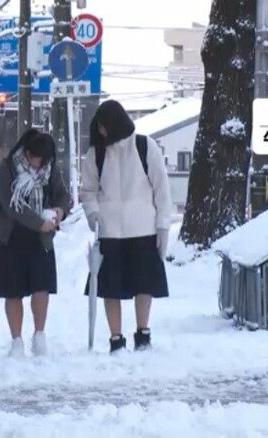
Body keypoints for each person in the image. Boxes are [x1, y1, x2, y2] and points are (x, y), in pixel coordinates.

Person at [81, 100, 172, 354]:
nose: (101, 132)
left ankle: (143, 334)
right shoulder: (96, 153)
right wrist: (94, 215)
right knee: (110, 288)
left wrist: (163, 227)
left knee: (144, 286)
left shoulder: (145, 146)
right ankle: (116, 338)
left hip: (144, 229)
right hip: (109, 232)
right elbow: (87, 191)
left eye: (103, 126)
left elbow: (161, 190)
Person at [0, 129, 71, 358]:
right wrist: (38, 222)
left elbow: (63, 195)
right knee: (13, 290)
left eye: (44, 160)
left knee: (41, 286)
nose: (39, 164)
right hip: (12, 236)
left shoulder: (49, 169)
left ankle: (39, 335)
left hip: (41, 238)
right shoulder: (6, 169)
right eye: (36, 159)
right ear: (27, 151)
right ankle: (16, 340)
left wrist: (59, 211)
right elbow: (10, 205)